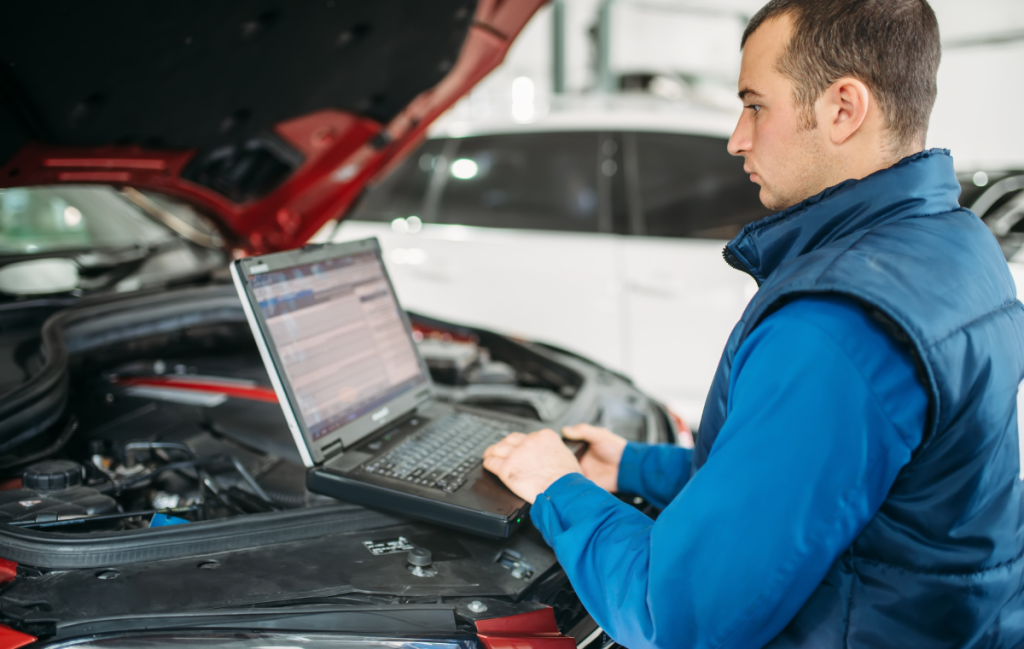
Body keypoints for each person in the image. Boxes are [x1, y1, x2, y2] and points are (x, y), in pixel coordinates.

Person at [482, 1, 1024, 647]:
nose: (738, 137)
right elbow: (827, 486)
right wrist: (632, 465)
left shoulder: (836, 325)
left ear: (843, 108)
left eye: (755, 104)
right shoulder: (954, 244)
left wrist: (555, 485)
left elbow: (679, 617)